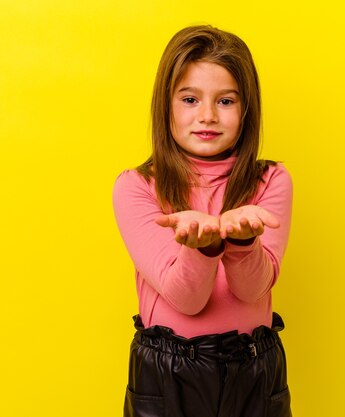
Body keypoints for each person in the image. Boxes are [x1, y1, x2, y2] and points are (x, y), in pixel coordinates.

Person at [113, 25, 293, 417]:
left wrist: (244, 244)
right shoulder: (137, 187)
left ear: (247, 109)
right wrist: (205, 246)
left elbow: (252, 289)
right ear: (166, 106)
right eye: (190, 99)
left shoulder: (271, 180)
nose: (207, 116)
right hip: (167, 373)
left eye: (225, 101)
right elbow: (187, 298)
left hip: (253, 370)